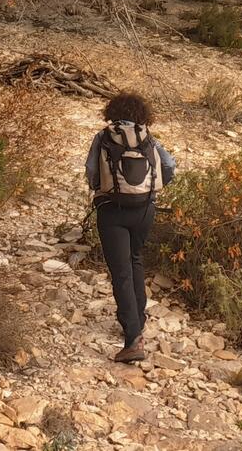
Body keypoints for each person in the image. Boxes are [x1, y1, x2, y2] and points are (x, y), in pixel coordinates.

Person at [84, 93, 176, 362]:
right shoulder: (147, 136)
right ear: (142, 114)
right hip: (145, 209)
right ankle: (138, 320)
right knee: (136, 260)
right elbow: (169, 166)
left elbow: (91, 171)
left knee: (120, 272)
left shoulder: (103, 137)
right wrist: (151, 190)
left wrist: (102, 188)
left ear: (111, 111)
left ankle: (133, 340)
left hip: (111, 210)